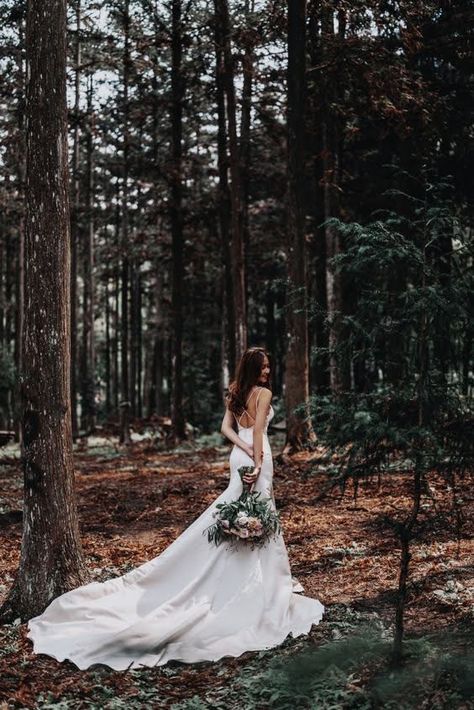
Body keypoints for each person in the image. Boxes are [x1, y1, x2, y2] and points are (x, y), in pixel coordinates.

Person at [26, 347, 324, 670]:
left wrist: (240, 450)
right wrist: (257, 461)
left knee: (241, 516)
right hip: (256, 458)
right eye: (264, 367)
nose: (268, 371)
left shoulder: (236, 393)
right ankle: (257, 588)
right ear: (254, 369)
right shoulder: (263, 393)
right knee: (259, 516)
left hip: (238, 457)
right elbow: (258, 438)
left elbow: (226, 430)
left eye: (269, 366)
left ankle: (248, 579)